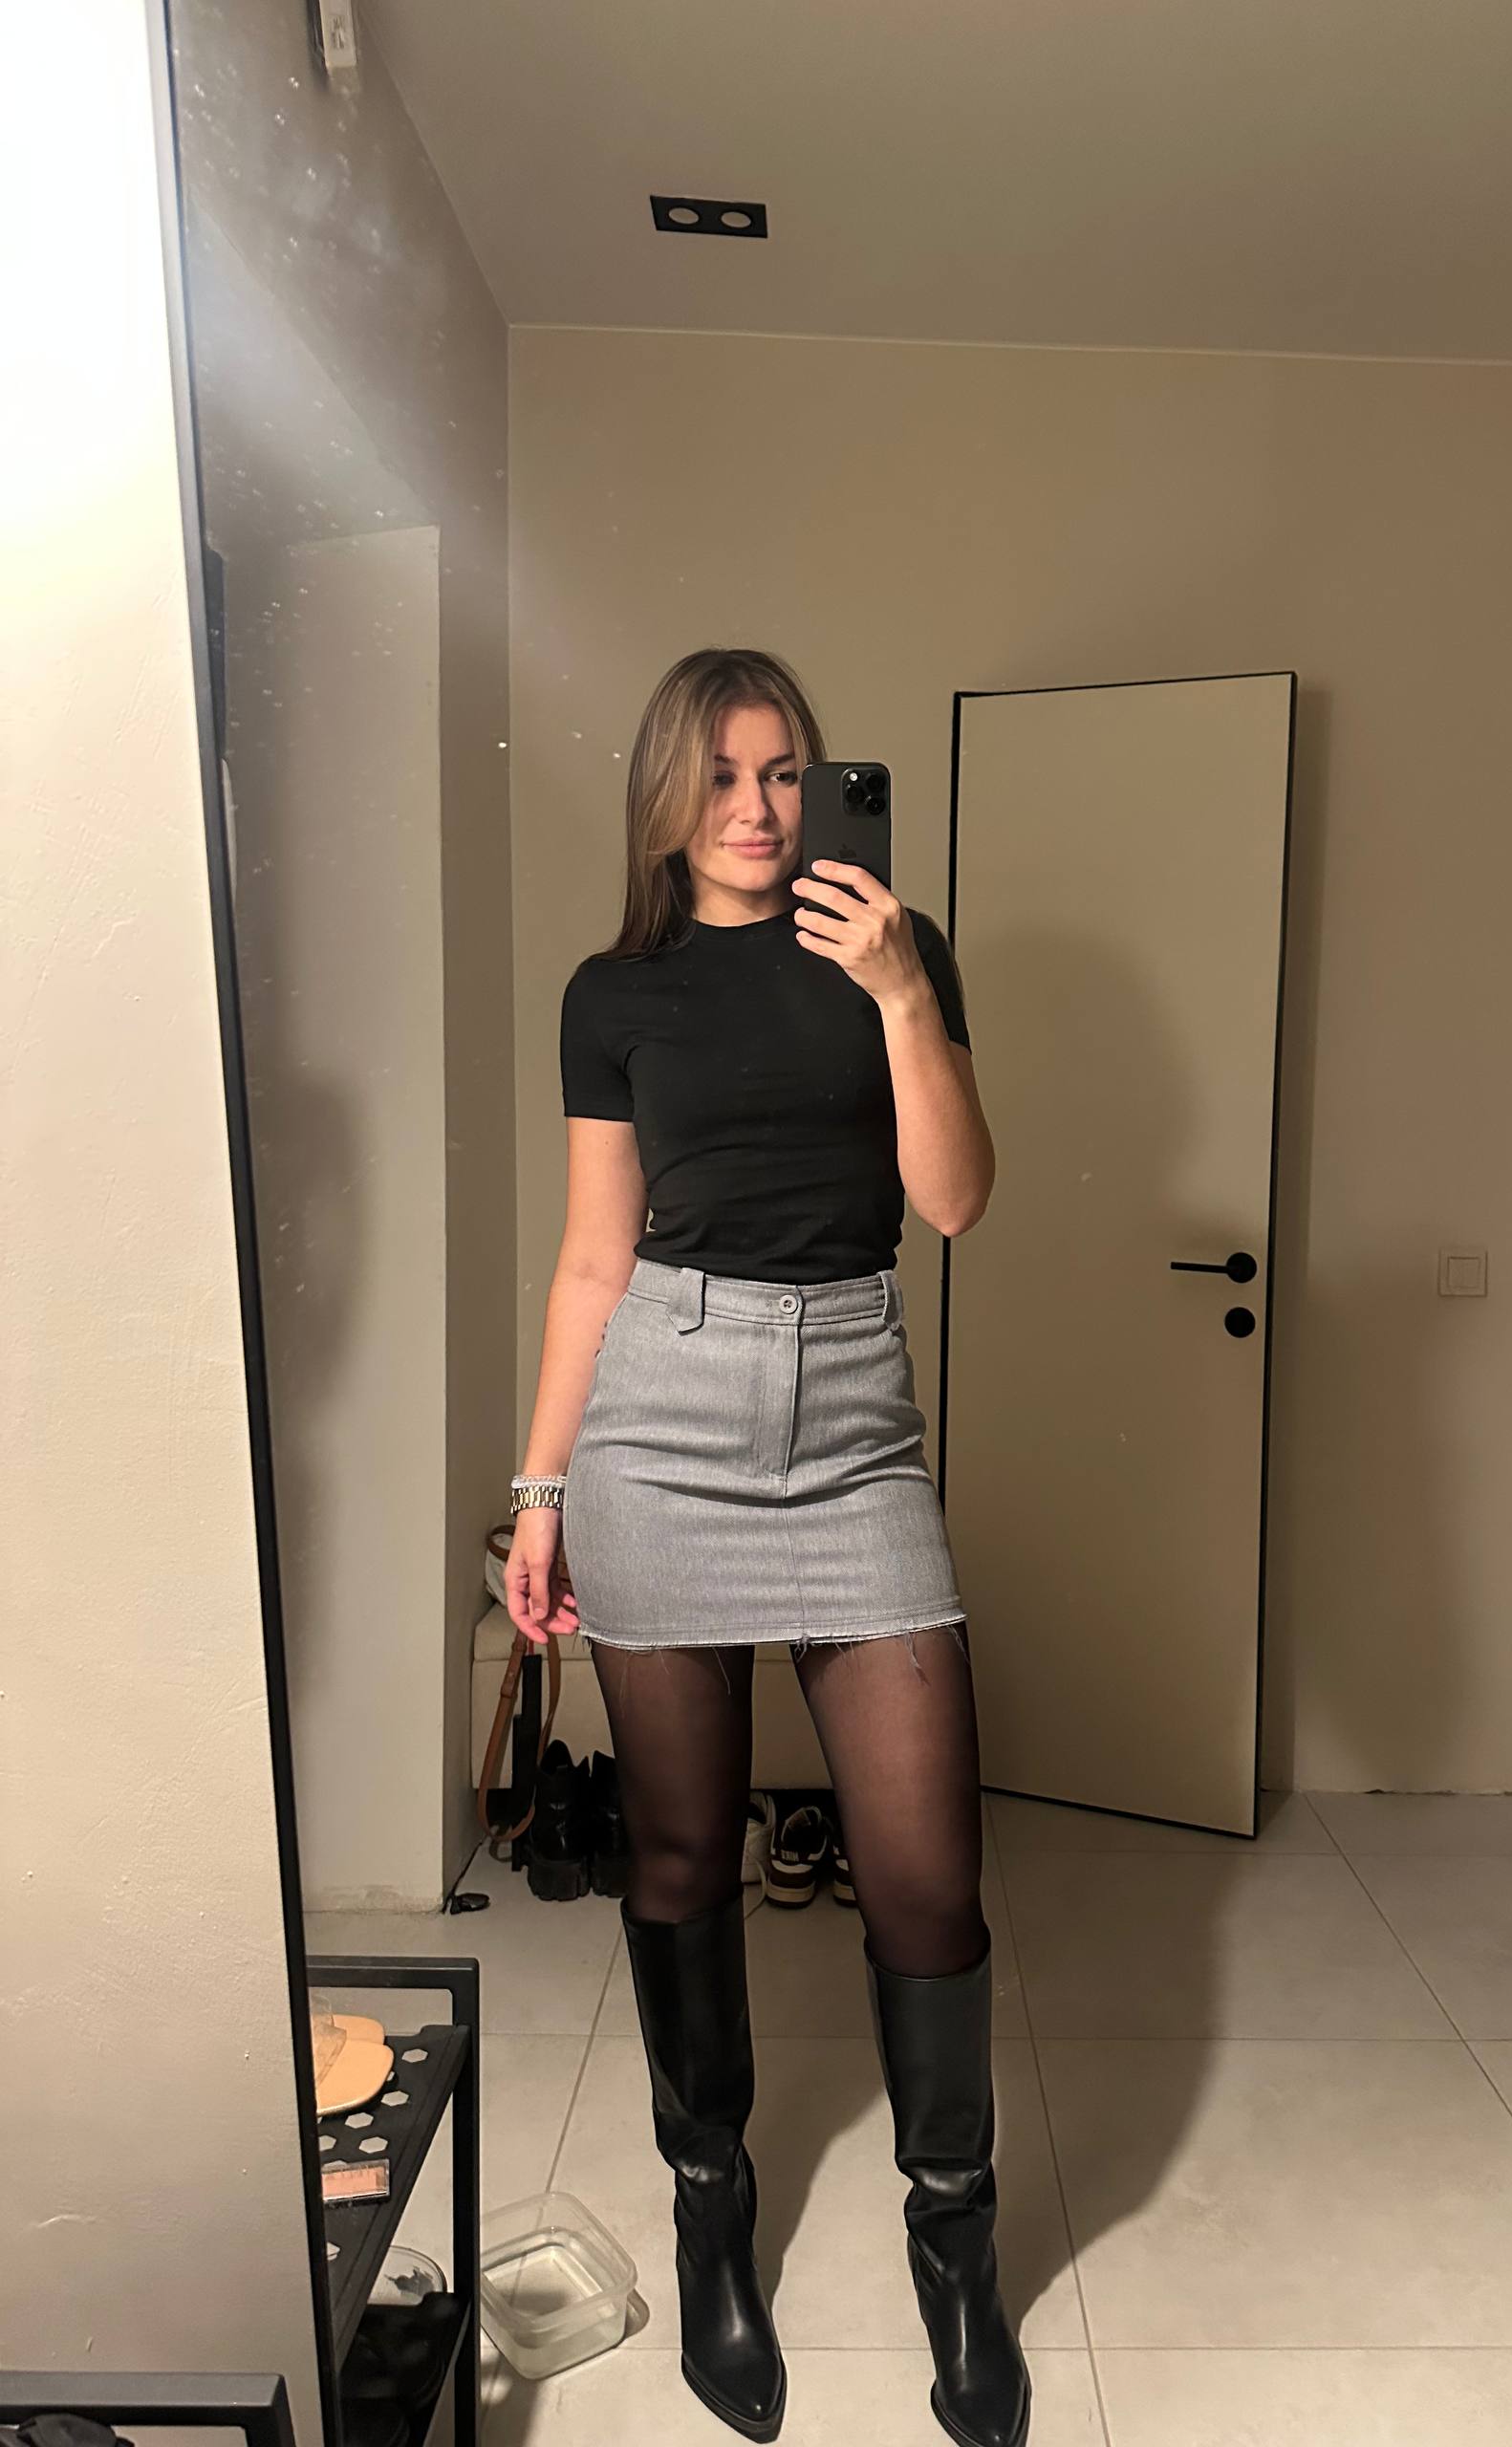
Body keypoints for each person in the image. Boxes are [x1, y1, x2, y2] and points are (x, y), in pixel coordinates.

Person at [504, 646, 1029, 2447]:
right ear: (668, 792)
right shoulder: (613, 994)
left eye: (786, 771)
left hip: (856, 1416)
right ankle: (711, 2214)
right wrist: (541, 1490)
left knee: (926, 1877)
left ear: (821, 785)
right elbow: (594, 1257)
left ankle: (954, 2247)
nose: (757, 806)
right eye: (722, 774)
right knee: (676, 1851)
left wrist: (898, 992)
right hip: (663, 1412)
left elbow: (954, 1198)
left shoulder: (895, 947)